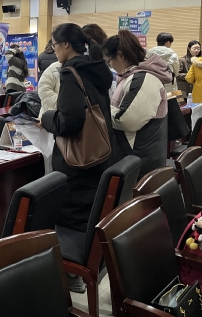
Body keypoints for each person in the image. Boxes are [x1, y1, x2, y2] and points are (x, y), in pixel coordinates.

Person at [41, 23, 116, 232]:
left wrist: (47, 118)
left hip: (78, 162)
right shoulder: (95, 68)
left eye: (54, 45)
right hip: (100, 152)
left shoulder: (71, 73)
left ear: (66, 44)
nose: (54, 50)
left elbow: (69, 121)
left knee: (74, 224)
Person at [102, 30, 171, 177]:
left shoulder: (144, 79)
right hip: (137, 154)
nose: (111, 66)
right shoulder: (132, 76)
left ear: (120, 55)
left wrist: (103, 109)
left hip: (141, 160)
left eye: (109, 61)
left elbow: (127, 121)